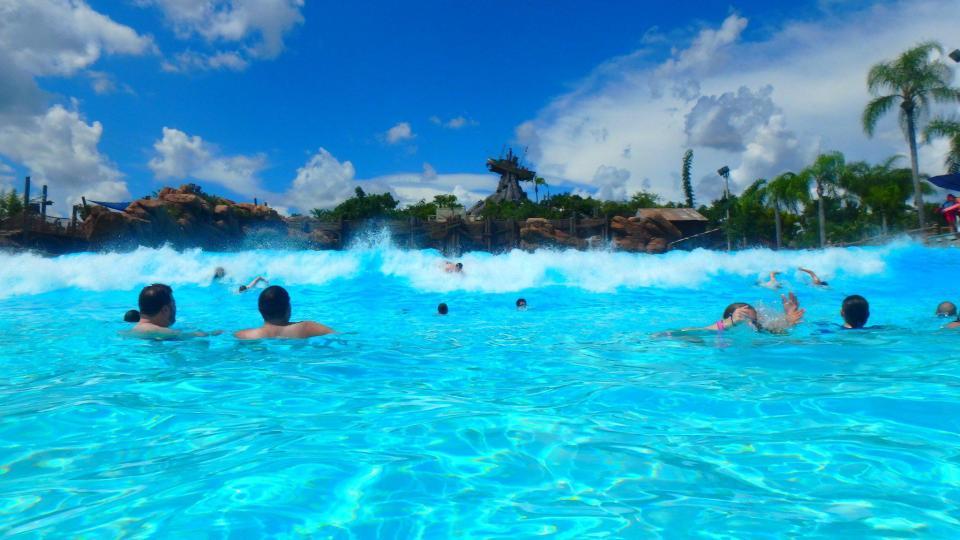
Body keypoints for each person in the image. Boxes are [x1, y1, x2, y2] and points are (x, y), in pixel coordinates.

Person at [234, 286, 335, 340]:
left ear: (260, 310)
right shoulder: (307, 327)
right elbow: (339, 337)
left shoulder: (244, 335)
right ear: (288, 308)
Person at [130, 284, 220, 338]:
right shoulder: (153, 331)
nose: (175, 309)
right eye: (173, 304)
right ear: (165, 310)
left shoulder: (138, 329)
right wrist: (212, 333)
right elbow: (195, 336)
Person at [703, 293, 805, 333]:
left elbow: (786, 338)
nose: (751, 324)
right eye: (744, 318)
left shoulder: (759, 330)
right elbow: (687, 332)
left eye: (754, 320)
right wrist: (730, 322)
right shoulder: (722, 333)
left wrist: (788, 319)